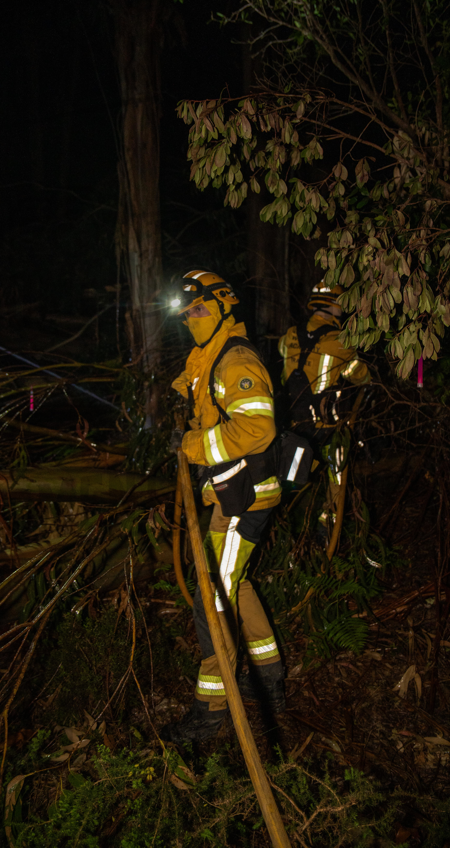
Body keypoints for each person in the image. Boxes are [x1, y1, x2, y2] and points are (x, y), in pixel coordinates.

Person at [162, 270, 284, 744]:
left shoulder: (234, 359)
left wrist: (193, 445)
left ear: (223, 310)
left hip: (245, 499)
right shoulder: (210, 358)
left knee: (211, 594)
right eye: (186, 312)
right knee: (235, 583)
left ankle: (211, 709)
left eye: (199, 309)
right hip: (232, 494)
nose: (191, 318)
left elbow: (257, 429)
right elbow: (207, 401)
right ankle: (269, 678)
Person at [278, 281, 370, 539]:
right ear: (334, 305)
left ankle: (280, 526)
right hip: (330, 430)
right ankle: (326, 526)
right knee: (337, 478)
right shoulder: (340, 342)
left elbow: (283, 353)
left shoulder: (289, 335)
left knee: (291, 480)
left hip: (296, 427)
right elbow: (360, 376)